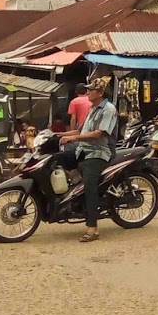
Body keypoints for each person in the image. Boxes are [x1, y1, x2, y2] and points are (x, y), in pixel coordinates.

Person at [58, 79, 119, 243]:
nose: (88, 92)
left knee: (89, 183)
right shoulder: (92, 108)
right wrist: (55, 135)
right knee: (59, 160)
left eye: (91, 90)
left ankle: (93, 228)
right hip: (84, 149)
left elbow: (98, 134)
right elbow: (78, 131)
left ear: (100, 93)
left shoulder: (108, 109)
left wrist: (73, 139)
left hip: (101, 152)